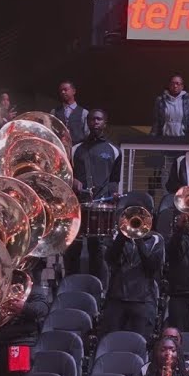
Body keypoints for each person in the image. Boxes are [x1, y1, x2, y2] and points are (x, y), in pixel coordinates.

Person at [66, 110, 122, 279]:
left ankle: (97, 288)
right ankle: (71, 284)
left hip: (100, 206)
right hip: (78, 206)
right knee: (73, 248)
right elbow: (66, 174)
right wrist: (73, 180)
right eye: (92, 119)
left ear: (105, 123)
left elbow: (114, 180)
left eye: (99, 119)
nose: (95, 122)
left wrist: (113, 196)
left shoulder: (115, 150)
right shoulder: (75, 149)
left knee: (97, 249)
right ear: (87, 122)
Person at [101, 206, 165, 338]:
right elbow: (110, 259)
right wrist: (122, 236)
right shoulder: (116, 237)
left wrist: (139, 237)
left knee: (140, 342)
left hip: (143, 300)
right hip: (117, 298)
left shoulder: (156, 239)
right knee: (111, 341)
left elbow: (151, 267)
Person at [151, 74, 189, 139]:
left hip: (183, 138)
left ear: (182, 86)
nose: (175, 86)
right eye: (172, 83)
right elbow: (156, 122)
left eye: (178, 83)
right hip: (164, 138)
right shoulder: (160, 100)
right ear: (169, 85)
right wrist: (152, 138)